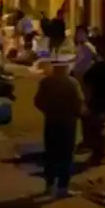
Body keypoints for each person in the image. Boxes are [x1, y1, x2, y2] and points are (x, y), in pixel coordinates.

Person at [34, 53, 85, 198]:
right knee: (66, 155)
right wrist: (77, 113)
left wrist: (47, 111)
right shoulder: (72, 83)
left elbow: (38, 101)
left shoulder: (46, 82)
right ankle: (63, 187)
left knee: (50, 153)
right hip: (68, 122)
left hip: (51, 121)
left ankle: (49, 185)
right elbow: (79, 102)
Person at [82, 39, 105, 165]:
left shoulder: (99, 66)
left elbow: (86, 78)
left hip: (96, 100)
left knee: (96, 128)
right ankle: (99, 153)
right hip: (104, 100)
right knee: (99, 127)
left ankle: (99, 153)